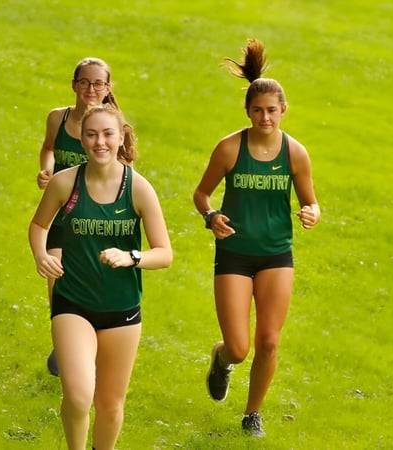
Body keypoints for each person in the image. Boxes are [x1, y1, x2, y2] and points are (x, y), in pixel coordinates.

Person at [192, 38, 321, 437]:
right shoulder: (230, 148)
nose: (265, 118)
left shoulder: (295, 153)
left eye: (271, 111)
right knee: (240, 346)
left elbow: (311, 202)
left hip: (276, 254)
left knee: (268, 341)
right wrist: (211, 216)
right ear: (247, 111)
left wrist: (311, 213)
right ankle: (222, 359)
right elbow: (201, 194)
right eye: (257, 111)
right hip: (234, 254)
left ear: (283, 110)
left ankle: (252, 415)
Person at [29, 105, 172, 450]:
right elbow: (39, 226)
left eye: (108, 134)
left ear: (121, 137)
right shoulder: (66, 183)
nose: (100, 142)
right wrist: (41, 254)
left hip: (122, 310)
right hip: (72, 304)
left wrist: (131, 257)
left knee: (109, 406)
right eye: (91, 134)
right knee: (78, 397)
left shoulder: (138, 189)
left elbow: (164, 253)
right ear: (81, 139)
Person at [36, 57, 135, 376]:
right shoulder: (57, 118)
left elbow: (124, 175)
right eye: (84, 82)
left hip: (96, 223)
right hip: (61, 219)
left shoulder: (112, 128)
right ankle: (66, 340)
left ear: (108, 89)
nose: (90, 89)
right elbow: (48, 147)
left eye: (98, 84)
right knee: (57, 282)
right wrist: (48, 168)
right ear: (74, 85)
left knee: (93, 283)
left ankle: (91, 341)